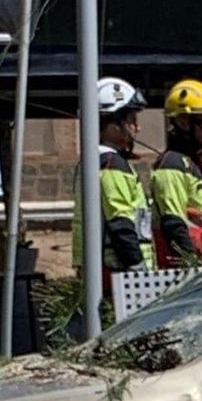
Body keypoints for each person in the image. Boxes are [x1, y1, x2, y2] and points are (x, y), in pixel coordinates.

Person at [73, 77, 156, 284]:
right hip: (119, 272)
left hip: (106, 269)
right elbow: (120, 222)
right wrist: (140, 270)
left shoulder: (95, 160)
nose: (137, 129)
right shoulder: (111, 164)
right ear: (112, 125)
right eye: (132, 121)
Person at [150, 78, 202, 267]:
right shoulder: (172, 165)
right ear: (184, 122)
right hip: (188, 271)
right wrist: (192, 265)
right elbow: (173, 223)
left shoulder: (197, 163)